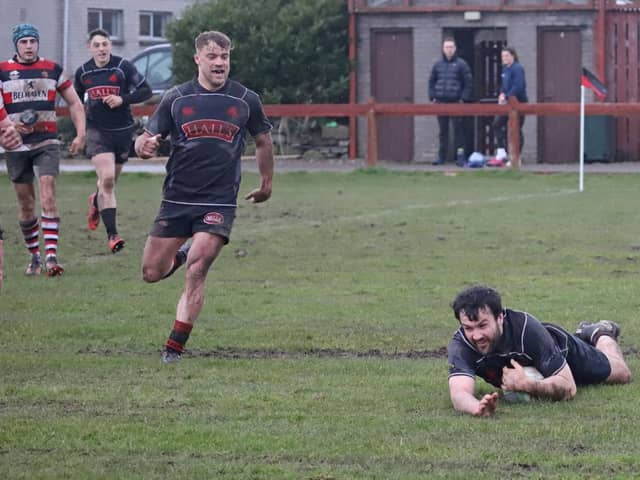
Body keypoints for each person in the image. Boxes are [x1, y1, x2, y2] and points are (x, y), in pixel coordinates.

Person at [134, 31, 274, 364]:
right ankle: (180, 253)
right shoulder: (176, 98)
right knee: (152, 272)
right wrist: (144, 147)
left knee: (198, 267)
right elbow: (145, 140)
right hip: (177, 199)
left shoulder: (245, 100)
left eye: (224, 57)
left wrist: (266, 184)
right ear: (198, 59)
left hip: (219, 201)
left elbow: (264, 142)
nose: (219, 63)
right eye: (212, 57)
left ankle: (174, 348)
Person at [447, 285, 631, 417]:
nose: (476, 335)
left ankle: (599, 332)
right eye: (468, 328)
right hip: (542, 367)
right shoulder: (461, 345)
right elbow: (459, 394)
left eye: (483, 325)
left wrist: (526, 385)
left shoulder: (526, 330)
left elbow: (569, 387)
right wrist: (477, 408)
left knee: (621, 374)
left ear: (500, 317)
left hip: (561, 349)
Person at [0, 23, 86, 276]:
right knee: (26, 204)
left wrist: (80, 134)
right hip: (16, 145)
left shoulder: (52, 70)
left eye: (32, 41)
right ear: (16, 44)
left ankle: (51, 258)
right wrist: (10, 126)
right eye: (24, 42)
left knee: (48, 194)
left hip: (47, 142)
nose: (29, 46)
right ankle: (34, 256)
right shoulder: (3, 71)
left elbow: (75, 102)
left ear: (38, 43)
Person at [74, 29, 152, 253]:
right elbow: (75, 102)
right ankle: (113, 236)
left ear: (110, 46)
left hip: (123, 131)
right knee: (106, 179)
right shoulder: (83, 73)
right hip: (97, 131)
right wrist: (81, 128)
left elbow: (145, 90)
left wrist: (122, 99)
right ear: (90, 47)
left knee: (109, 183)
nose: (101, 49)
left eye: (105, 44)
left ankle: (96, 200)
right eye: (97, 45)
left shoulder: (123, 67)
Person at [428, 37, 473, 166]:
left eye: (451, 47)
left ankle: (460, 157)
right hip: (441, 103)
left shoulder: (461, 64)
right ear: (443, 49)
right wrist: (432, 96)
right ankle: (441, 157)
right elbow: (431, 81)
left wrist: (463, 98)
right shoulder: (437, 65)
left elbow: (468, 82)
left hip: (456, 102)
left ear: (455, 48)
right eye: (446, 47)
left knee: (459, 131)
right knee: (443, 132)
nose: (448, 50)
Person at [490, 46, 527, 167]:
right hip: (506, 105)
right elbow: (503, 85)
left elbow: (519, 86)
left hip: (519, 103)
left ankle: (517, 157)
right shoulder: (505, 69)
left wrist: (507, 96)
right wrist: (501, 94)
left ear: (513, 56)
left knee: (516, 129)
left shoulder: (518, 68)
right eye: (503, 56)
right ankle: (501, 151)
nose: (504, 58)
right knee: (496, 124)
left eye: (506, 56)